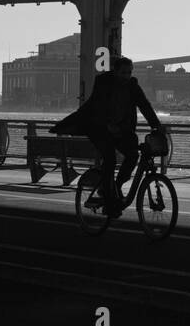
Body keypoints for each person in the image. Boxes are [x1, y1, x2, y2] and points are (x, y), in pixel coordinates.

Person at [52, 57, 161, 216]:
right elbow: (97, 107)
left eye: (129, 72)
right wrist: (108, 125)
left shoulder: (132, 86)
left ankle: (115, 187)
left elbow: (145, 105)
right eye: (123, 72)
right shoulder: (103, 82)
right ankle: (110, 202)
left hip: (122, 130)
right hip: (100, 129)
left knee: (132, 155)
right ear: (115, 71)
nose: (127, 76)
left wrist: (157, 126)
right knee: (109, 159)